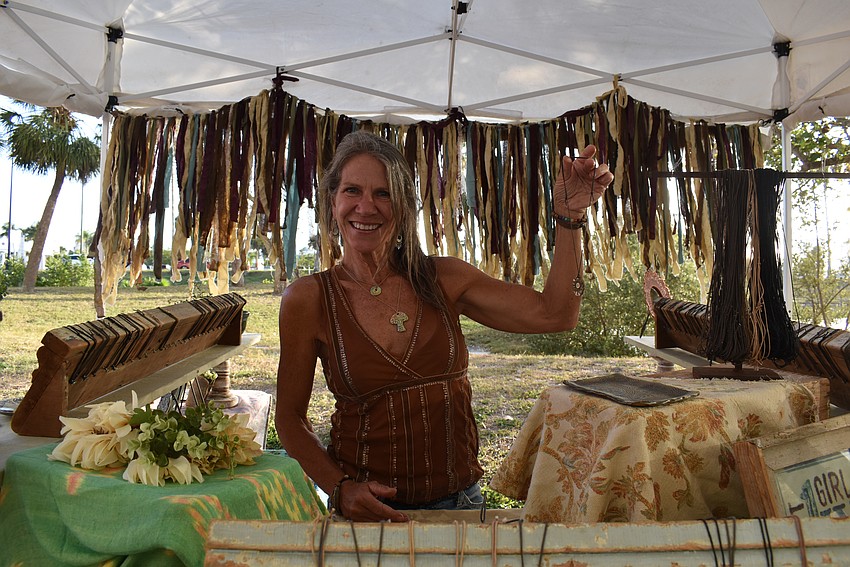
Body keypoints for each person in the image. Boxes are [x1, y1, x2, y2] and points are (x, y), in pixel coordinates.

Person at [275, 130, 612, 522]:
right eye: (352, 190)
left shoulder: (444, 279)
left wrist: (569, 218)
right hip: (368, 515)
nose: (365, 207)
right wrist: (339, 488)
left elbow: (556, 314)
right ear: (332, 201)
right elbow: (289, 419)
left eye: (383, 194)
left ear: (402, 206)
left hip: (460, 506)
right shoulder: (309, 299)